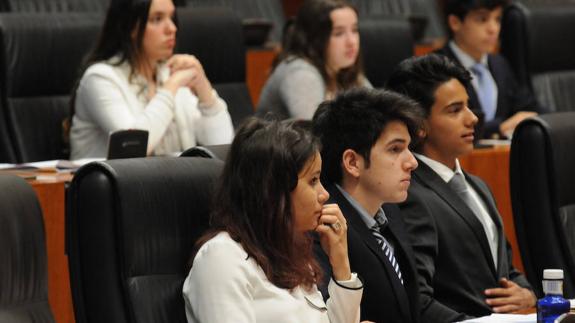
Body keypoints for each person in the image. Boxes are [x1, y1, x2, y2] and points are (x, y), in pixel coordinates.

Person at [386, 54, 536, 322]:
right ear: (419, 126)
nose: (473, 119)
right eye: (455, 110)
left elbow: (505, 270)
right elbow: (418, 299)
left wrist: (527, 293)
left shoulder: (479, 186)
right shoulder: (409, 194)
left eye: (468, 106)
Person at [182, 118, 363, 322]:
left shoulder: (290, 252)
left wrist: (341, 264)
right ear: (274, 191)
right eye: (313, 181)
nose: (324, 194)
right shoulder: (220, 258)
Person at [69, 0, 234, 159]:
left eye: (171, 17)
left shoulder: (170, 73)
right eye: (157, 19)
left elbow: (224, 150)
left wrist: (204, 91)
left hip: (173, 184)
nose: (172, 28)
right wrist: (172, 86)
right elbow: (133, 148)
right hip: (116, 186)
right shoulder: (99, 79)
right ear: (131, 27)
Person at [312, 88, 424, 323]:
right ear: (352, 162)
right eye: (395, 149)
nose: (412, 162)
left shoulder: (389, 210)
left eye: (409, 148)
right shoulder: (323, 226)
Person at [435, 0, 544, 139]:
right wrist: (499, 127)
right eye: (482, 19)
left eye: (497, 19)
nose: (493, 29)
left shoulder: (500, 64)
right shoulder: (435, 67)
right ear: (455, 22)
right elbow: (441, 126)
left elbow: (528, 105)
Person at [256, 0, 370, 120]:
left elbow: (382, 115)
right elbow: (314, 134)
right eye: (338, 33)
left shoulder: (344, 70)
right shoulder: (300, 73)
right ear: (315, 38)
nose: (352, 42)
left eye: (354, 30)